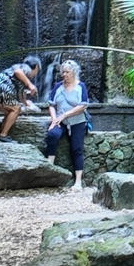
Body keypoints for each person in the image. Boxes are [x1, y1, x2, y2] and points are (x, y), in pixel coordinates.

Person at [41, 60, 91, 189]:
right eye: (62, 72)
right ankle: (49, 166)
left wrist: (65, 114)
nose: (64, 74)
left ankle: (78, 182)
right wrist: (54, 120)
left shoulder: (81, 86)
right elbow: (51, 105)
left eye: (67, 72)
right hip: (60, 121)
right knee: (52, 134)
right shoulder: (58, 86)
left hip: (77, 122)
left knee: (76, 148)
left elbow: (82, 106)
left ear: (74, 72)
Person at [0, 55, 43, 138]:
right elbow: (18, 72)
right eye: (37, 70)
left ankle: (1, 132)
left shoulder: (21, 75)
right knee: (16, 109)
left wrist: (27, 103)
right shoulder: (25, 68)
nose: (36, 74)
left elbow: (20, 96)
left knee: (10, 110)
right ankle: (3, 135)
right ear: (35, 67)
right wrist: (30, 85)